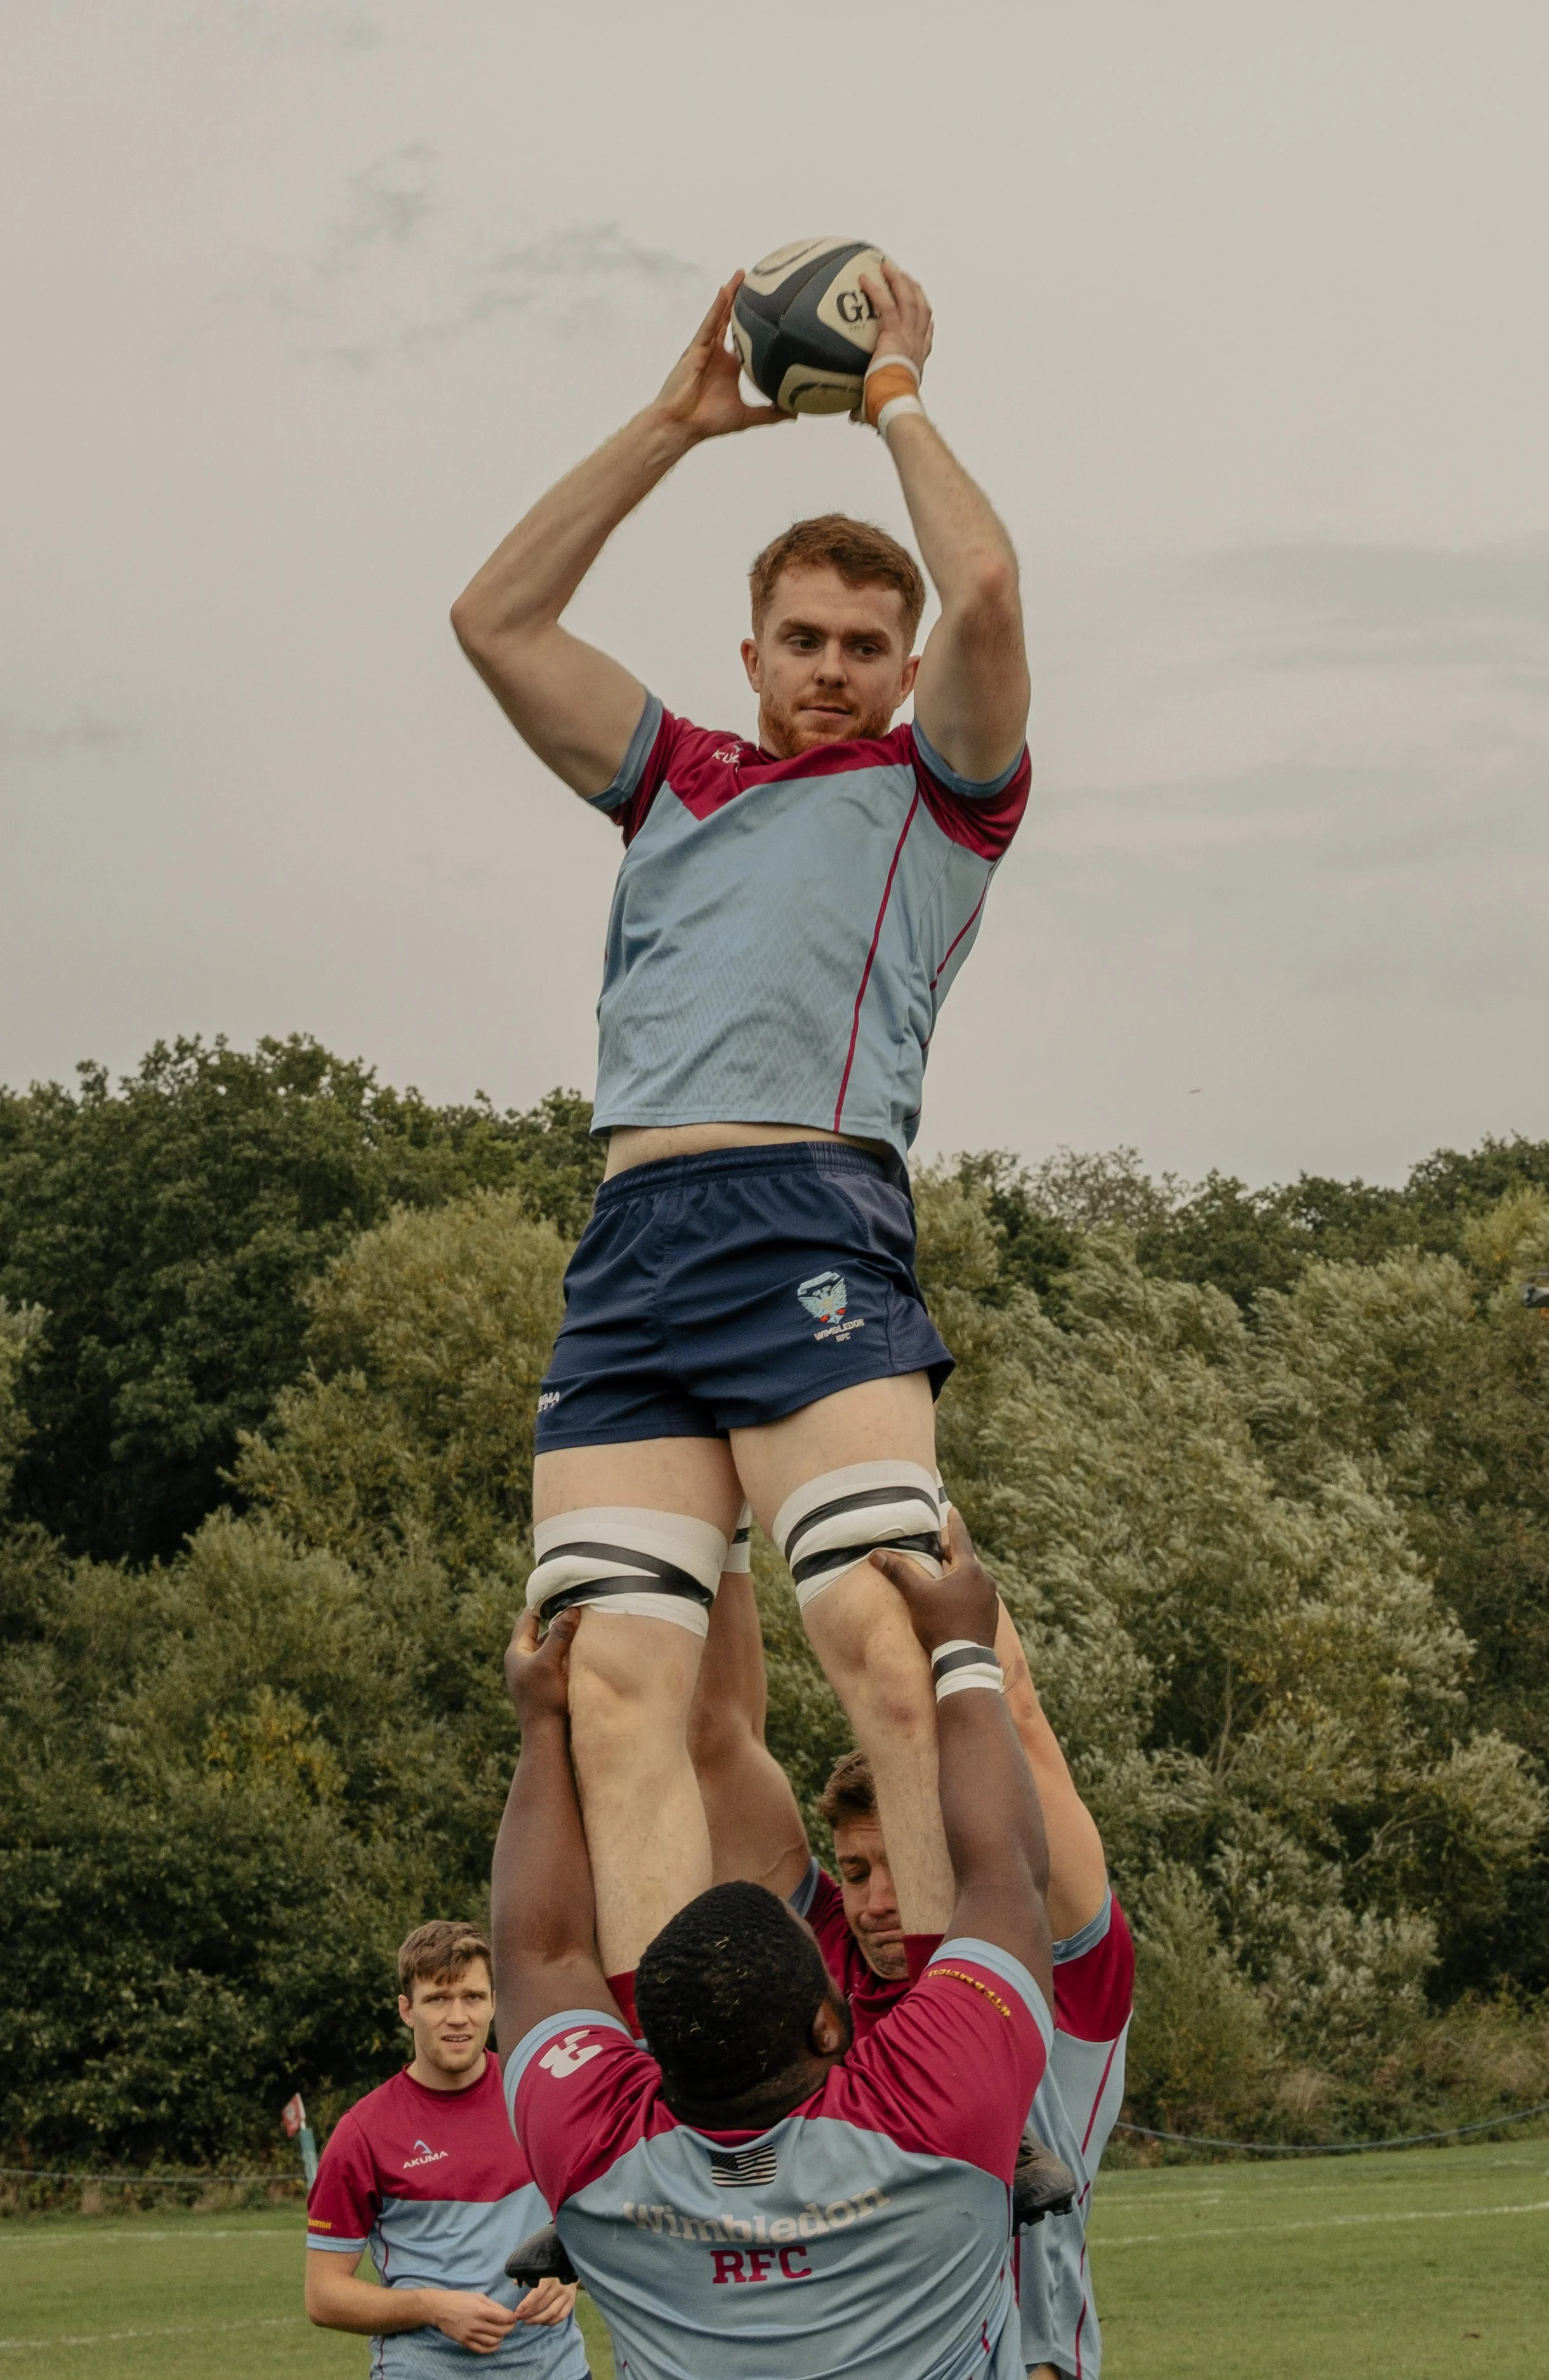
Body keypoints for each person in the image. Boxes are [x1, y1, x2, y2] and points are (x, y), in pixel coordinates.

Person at [451, 254, 1032, 1985]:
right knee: (608, 1686)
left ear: (900, 659)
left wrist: (893, 397)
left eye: (867, 644)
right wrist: (675, 421)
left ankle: (949, 2061)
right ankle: (656, 2103)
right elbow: (494, 620)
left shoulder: (936, 791)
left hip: (810, 1220)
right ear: (753, 648)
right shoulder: (675, 779)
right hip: (631, 1249)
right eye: (804, 640)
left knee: (876, 1632)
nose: (834, 668)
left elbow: (989, 584)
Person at [491, 1512, 1053, 2380]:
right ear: (833, 2027)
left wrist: (540, 1735)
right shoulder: (934, 2117)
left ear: (646, 2054)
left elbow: (545, 1956)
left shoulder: (598, 2159)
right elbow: (1005, 1874)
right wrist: (966, 1651)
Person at [690, 1563, 1135, 2380]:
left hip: (1018, 2358)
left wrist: (911, 1516)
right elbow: (721, 1742)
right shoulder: (818, 1957)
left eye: (900, 1864)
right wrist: (722, 1536)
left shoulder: (1055, 1971)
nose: (877, 1901)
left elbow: (1023, 1720)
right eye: (856, 1872)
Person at [305, 1921, 585, 2376]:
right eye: (437, 1999)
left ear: (495, 2002)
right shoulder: (363, 2132)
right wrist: (431, 2307)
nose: (458, 2017)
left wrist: (571, 2273)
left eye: (473, 1997)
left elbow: (604, 2220)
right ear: (407, 2010)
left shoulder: (543, 2096)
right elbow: (323, 2297)